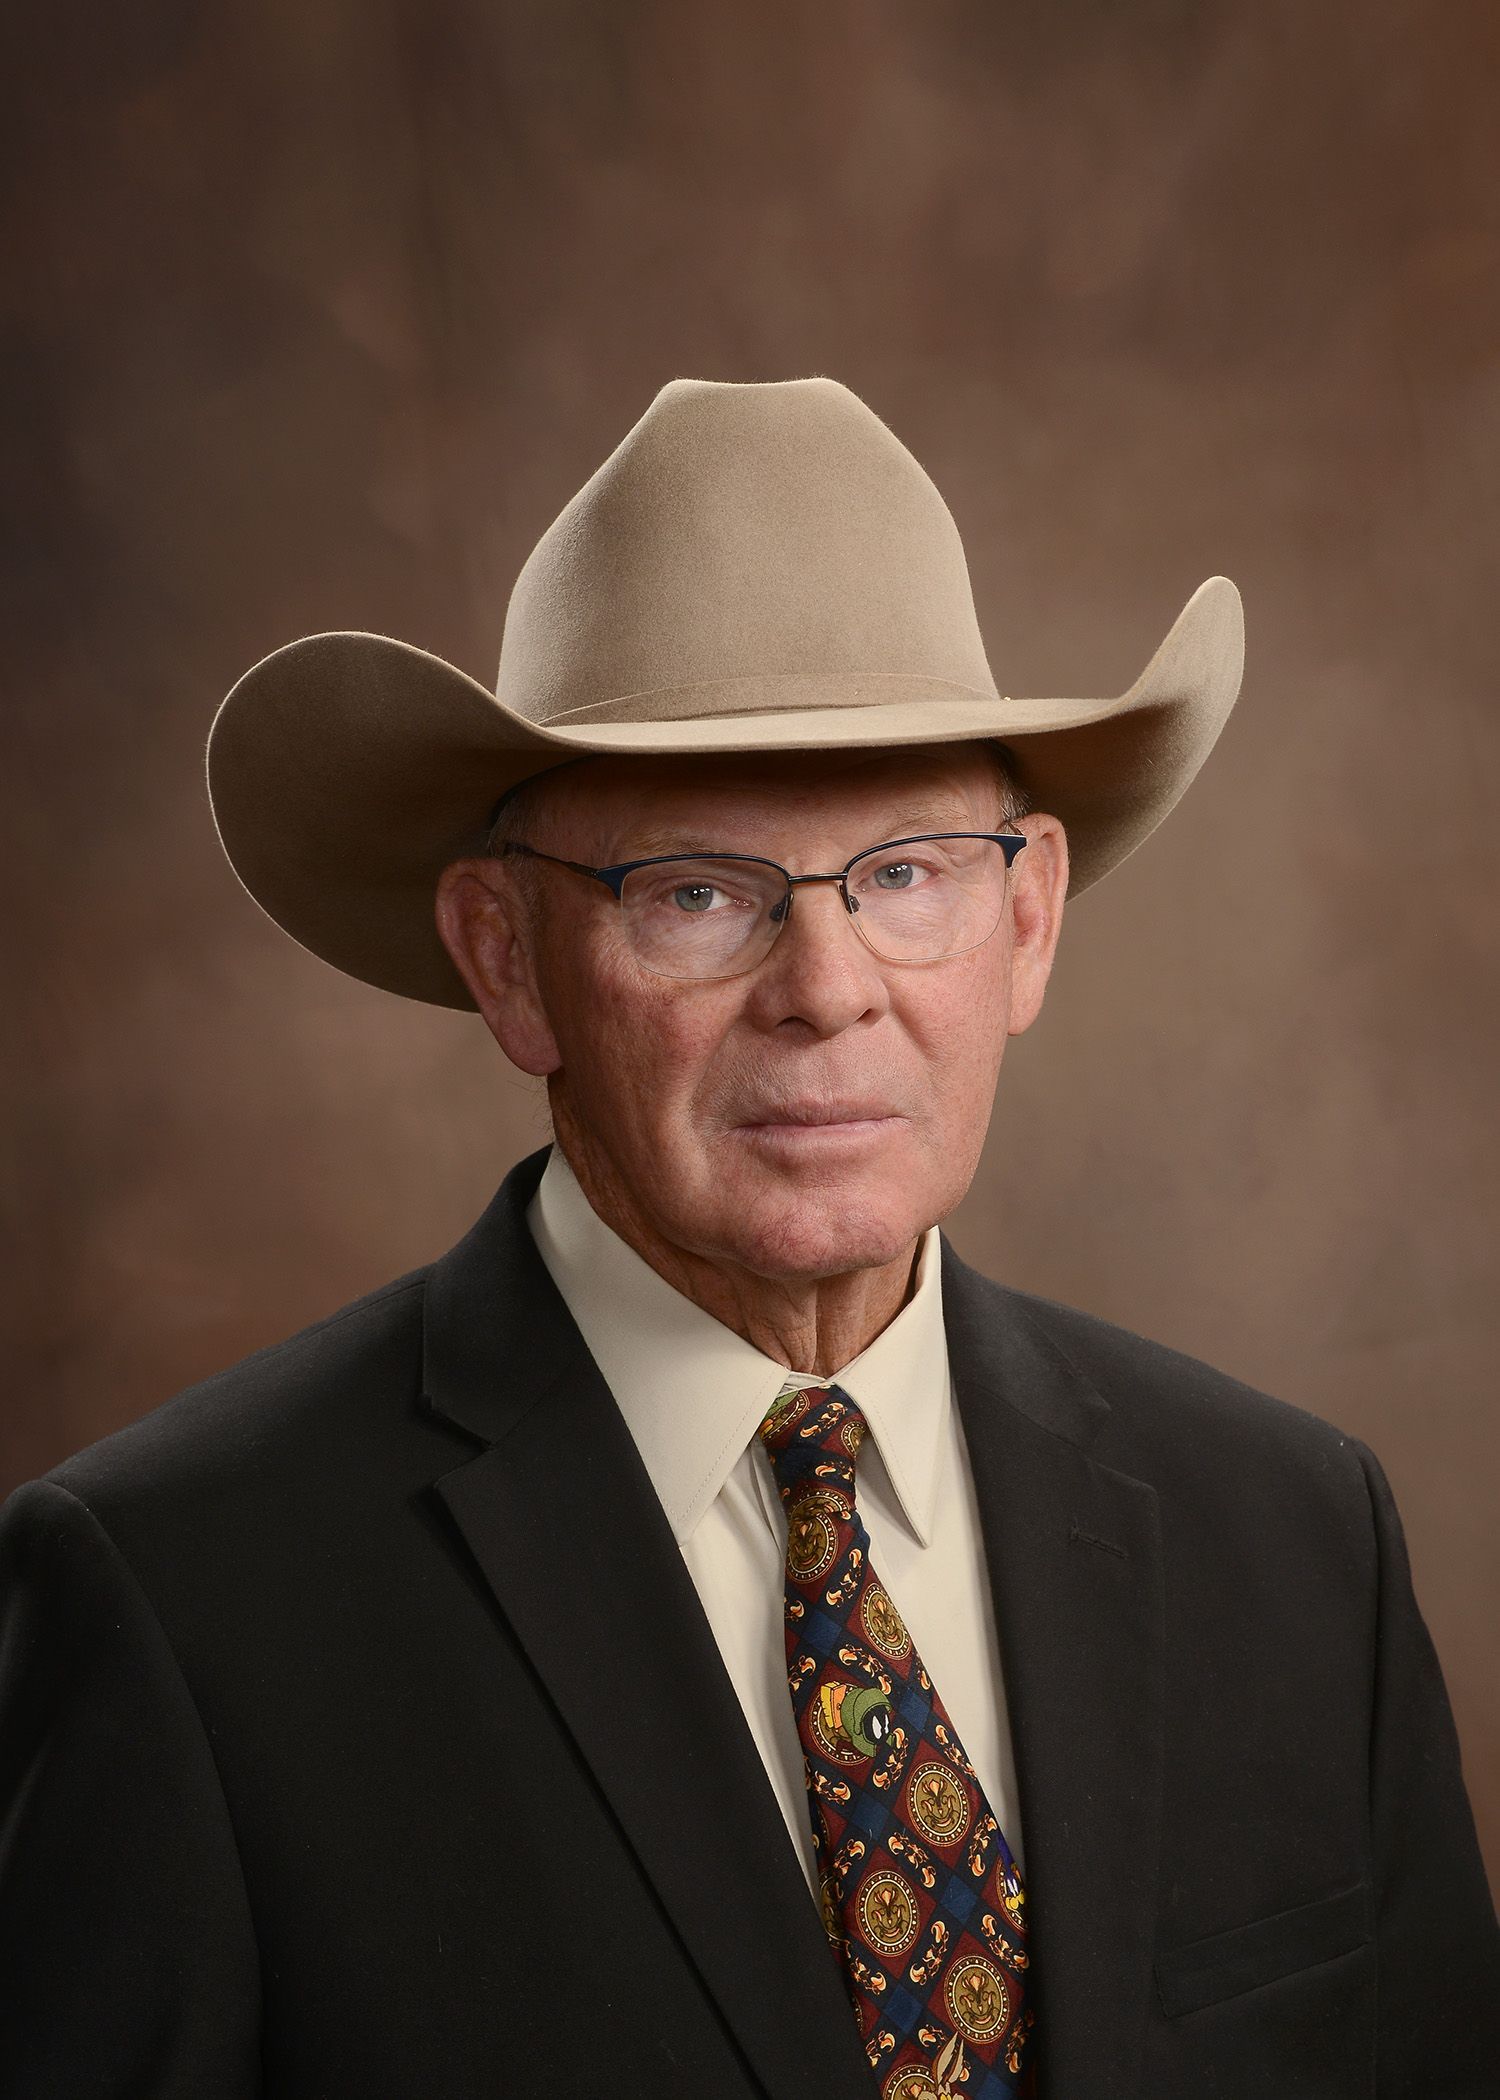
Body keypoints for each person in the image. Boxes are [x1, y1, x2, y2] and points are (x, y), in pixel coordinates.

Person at [1, 377, 1495, 2100]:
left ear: (1028, 921)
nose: (827, 991)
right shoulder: (187, 1606)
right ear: (506, 958)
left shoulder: (1301, 1544)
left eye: (909, 873)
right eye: (698, 891)